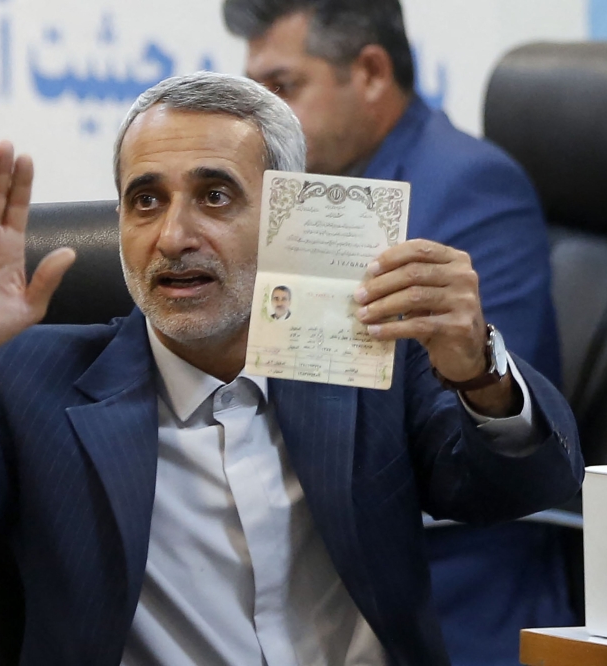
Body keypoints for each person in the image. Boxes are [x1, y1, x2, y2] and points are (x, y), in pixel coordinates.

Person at [0, 72, 582, 665]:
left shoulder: (364, 353)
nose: (174, 234)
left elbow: (527, 488)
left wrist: (478, 371)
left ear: (286, 219)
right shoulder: (29, 383)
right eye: (145, 201)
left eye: (214, 196)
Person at [223, 2, 573, 664]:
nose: (262, 120)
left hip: (447, 592)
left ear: (372, 73)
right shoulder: (299, 193)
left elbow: (465, 432)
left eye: (283, 87)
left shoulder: (468, 188)